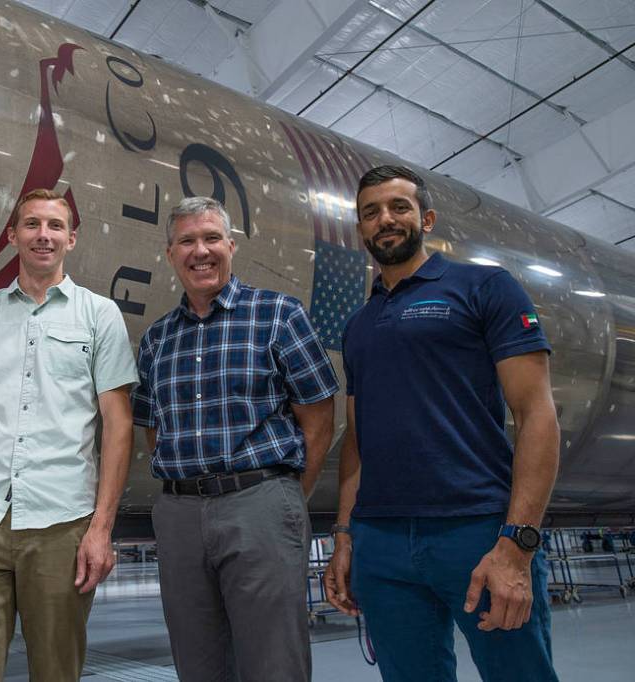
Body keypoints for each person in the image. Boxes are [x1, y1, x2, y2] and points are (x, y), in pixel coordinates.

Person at [324, 165, 560, 681]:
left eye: (399, 207)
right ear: (361, 229)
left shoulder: (485, 286)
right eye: (371, 212)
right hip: (381, 541)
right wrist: (344, 535)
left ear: (426, 219)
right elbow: (357, 441)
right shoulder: (358, 326)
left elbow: (536, 414)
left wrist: (518, 543)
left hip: (477, 530)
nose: (385, 220)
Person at [0, 188, 137, 682]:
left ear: (71, 239)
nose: (44, 235)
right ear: (12, 236)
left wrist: (101, 529)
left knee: (56, 671)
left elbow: (118, 424)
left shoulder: (98, 314)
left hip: (63, 521)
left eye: (56, 226)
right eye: (32, 224)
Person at [131, 196, 338, 682]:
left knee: (273, 663)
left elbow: (319, 419)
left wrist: (287, 496)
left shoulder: (278, 315)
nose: (200, 251)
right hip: (181, 513)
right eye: (187, 241)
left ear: (231, 245)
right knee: (197, 662)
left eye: (211, 238)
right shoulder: (158, 339)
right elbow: (153, 429)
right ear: (170, 254)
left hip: (259, 502)